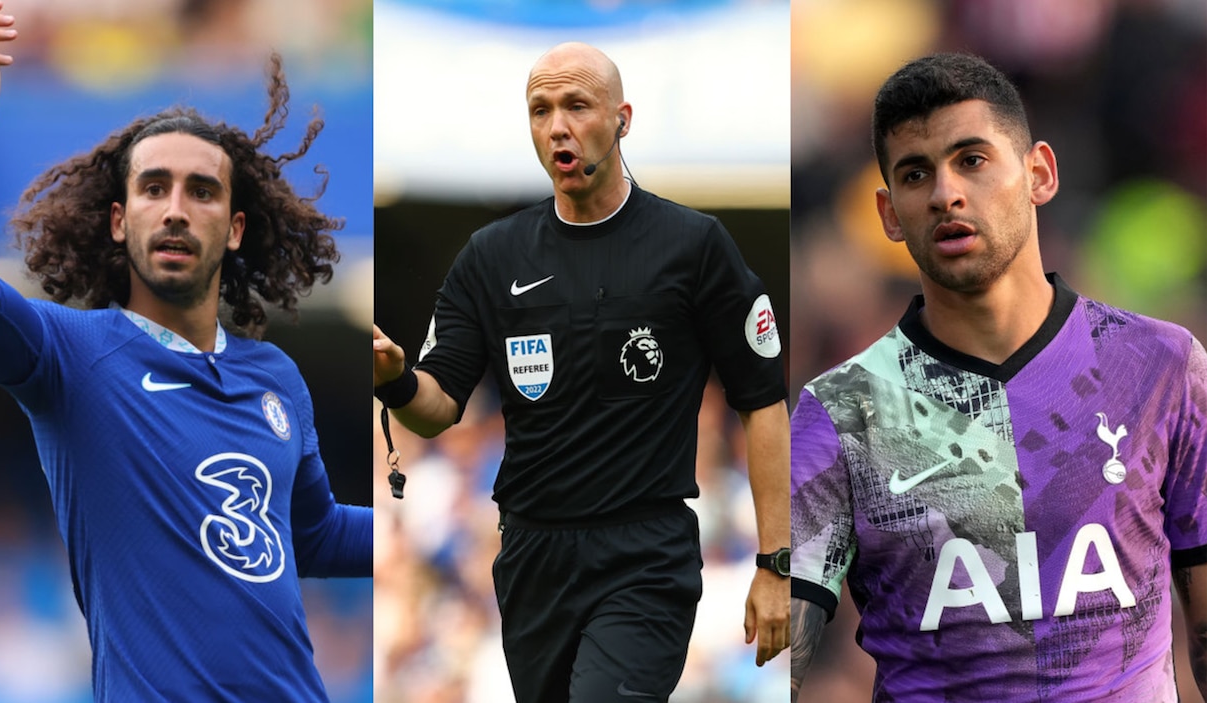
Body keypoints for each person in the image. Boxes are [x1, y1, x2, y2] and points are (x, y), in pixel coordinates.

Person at [0, 3, 373, 701]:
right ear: (120, 221)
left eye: (201, 191)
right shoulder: (72, 358)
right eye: (154, 188)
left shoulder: (275, 378)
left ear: (235, 228)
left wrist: (439, 516)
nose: (176, 208)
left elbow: (316, 531)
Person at [373, 41, 790, 702]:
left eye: (576, 106)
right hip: (532, 558)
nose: (557, 126)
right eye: (540, 110)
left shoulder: (692, 246)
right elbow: (437, 407)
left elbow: (763, 400)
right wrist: (394, 378)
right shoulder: (491, 257)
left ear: (622, 118)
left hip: (645, 555)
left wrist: (776, 563)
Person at [789, 52, 1207, 702]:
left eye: (972, 160)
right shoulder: (842, 412)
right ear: (890, 212)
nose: (945, 192)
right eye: (915, 173)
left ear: (1039, 173)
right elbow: (770, 666)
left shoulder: (1163, 367)